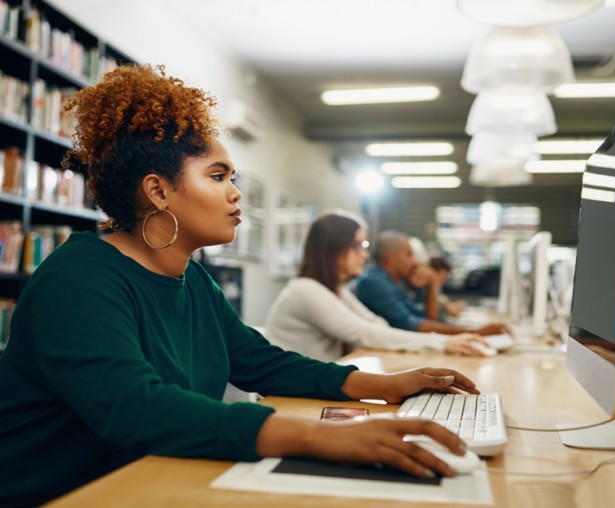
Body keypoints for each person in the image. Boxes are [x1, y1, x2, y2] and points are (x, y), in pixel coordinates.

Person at [0, 65, 479, 507]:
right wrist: (318, 436)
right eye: (218, 175)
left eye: (233, 177)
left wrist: (386, 385)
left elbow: (262, 362)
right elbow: (135, 409)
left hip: (151, 481)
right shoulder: (79, 280)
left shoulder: (194, 281)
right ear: (158, 190)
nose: (235, 193)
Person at [264, 211, 489, 362]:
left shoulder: (334, 289)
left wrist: (444, 341)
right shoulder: (305, 290)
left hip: (312, 385)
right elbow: (366, 333)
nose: (365, 254)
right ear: (334, 247)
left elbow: (375, 324)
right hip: (286, 399)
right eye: (358, 245)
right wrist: (444, 342)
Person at [354, 231, 509, 337]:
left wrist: (433, 282)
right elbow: (411, 325)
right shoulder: (374, 282)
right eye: (409, 254)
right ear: (391, 258)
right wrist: (475, 332)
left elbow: (426, 318)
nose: (414, 261)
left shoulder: (392, 282)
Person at [408, 255, 467, 322]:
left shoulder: (435, 288)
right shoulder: (422, 287)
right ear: (433, 272)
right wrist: (444, 304)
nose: (443, 282)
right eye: (443, 278)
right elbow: (419, 310)